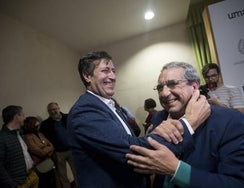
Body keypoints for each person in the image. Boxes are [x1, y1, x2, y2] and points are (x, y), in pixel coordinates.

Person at [66, 51, 210, 188]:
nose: (113, 76)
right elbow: (134, 150)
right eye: (105, 70)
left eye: (113, 71)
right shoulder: (84, 111)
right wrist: (189, 123)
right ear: (87, 76)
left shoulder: (110, 106)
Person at [126, 62, 244, 188]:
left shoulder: (231, 121)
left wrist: (176, 170)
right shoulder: (158, 118)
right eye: (160, 87)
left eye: (173, 84)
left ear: (194, 86)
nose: (164, 93)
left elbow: (236, 183)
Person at [0, 105, 39, 188]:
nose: (24, 118)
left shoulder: (19, 133)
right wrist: (13, 186)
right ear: (17, 116)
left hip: (31, 176)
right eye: (23, 115)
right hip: (18, 184)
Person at [40, 102, 77, 188]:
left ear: (59, 108)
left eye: (55, 109)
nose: (54, 111)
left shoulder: (68, 117)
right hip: (58, 153)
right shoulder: (45, 124)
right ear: (48, 112)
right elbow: (44, 139)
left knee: (77, 172)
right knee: (62, 175)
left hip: (72, 149)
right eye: (51, 110)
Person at [23, 116, 56, 188]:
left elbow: (52, 146)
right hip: (40, 166)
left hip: (49, 162)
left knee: (53, 184)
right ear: (31, 125)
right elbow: (40, 152)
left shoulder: (40, 134)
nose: (39, 126)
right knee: (45, 185)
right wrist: (47, 149)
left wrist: (45, 149)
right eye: (37, 124)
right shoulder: (28, 137)